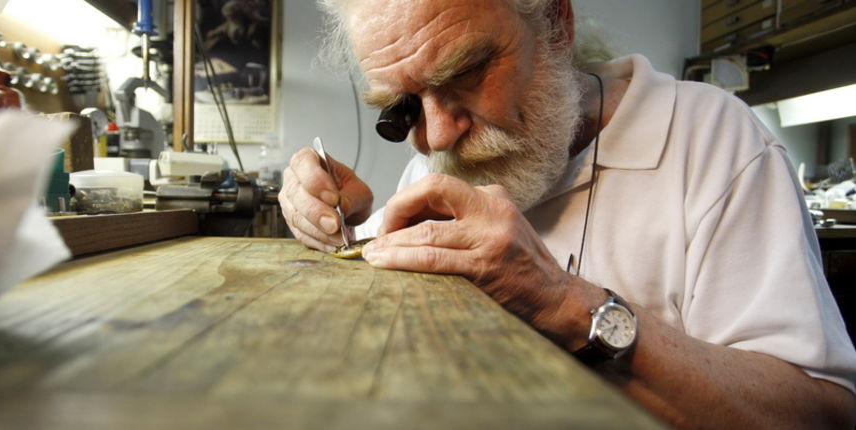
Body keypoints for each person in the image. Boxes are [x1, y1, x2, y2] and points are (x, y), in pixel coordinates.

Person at [279, 0, 856, 427]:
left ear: (555, 23)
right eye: (404, 105)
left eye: (468, 72)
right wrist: (340, 220)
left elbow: (820, 414)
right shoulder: (436, 161)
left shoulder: (711, 140)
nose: (436, 137)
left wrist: (561, 302)